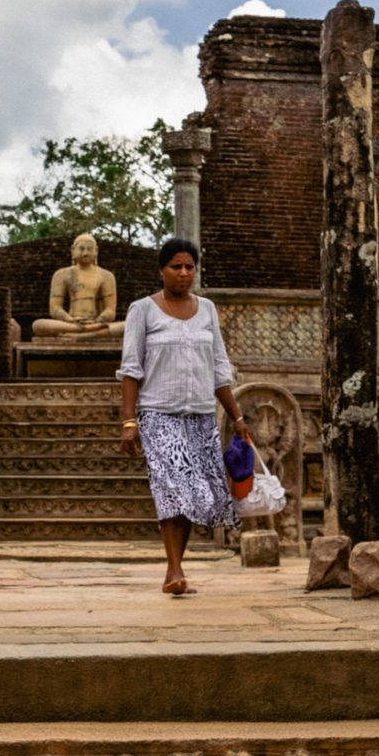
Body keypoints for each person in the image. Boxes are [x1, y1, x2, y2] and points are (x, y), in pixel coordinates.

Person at [117, 238, 249, 596]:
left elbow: (219, 368)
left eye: (190, 266)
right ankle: (174, 569)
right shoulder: (142, 310)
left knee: (195, 497)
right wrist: (129, 423)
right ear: (162, 270)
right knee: (173, 491)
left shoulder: (207, 310)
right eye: (176, 266)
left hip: (201, 416)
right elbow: (130, 369)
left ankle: (176, 566)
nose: (184, 273)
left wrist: (237, 417)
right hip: (159, 415)